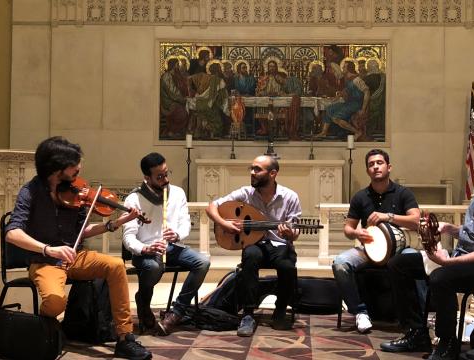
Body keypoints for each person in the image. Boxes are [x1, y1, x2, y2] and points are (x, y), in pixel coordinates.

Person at [4, 136, 152, 360]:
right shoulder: (31, 192)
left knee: (115, 265)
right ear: (56, 168)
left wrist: (115, 223)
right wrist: (48, 249)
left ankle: (125, 337)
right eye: (74, 165)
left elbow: (82, 231)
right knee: (54, 302)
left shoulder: (75, 191)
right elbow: (12, 233)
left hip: (76, 257)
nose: (79, 168)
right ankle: (45, 327)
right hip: (45, 262)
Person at [380, 135, 474, 360]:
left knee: (442, 278)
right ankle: (416, 332)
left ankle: (448, 343)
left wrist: (448, 262)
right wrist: (450, 229)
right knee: (399, 264)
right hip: (472, 259)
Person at [206, 155, 301, 337]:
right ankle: (248, 313)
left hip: (279, 244)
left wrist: (290, 234)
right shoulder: (245, 193)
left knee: (287, 264)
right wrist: (224, 224)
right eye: (251, 168)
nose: (252, 173)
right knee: (250, 256)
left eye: (257, 169)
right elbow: (211, 207)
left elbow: (294, 231)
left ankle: (280, 310)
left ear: (273, 173)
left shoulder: (290, 197)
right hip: (254, 242)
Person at [332, 149, 421, 334]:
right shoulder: (360, 197)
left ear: (389, 167)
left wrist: (388, 216)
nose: (375, 167)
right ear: (367, 171)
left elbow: (415, 221)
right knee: (340, 263)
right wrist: (357, 233)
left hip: (399, 250)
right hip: (369, 250)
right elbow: (348, 229)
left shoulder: (403, 193)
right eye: (371, 164)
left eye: (379, 163)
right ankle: (360, 312)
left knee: (416, 259)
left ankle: (418, 315)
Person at [123, 152, 210, 335]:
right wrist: (145, 248)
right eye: (159, 176)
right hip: (146, 251)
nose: (165, 179)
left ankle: (177, 312)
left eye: (166, 173)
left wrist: (177, 234)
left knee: (202, 262)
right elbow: (128, 237)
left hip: (171, 247)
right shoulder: (134, 199)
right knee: (154, 267)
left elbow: (185, 223)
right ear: (147, 177)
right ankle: (144, 303)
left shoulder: (177, 193)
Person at [315, 59, 370, 139]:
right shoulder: (348, 79)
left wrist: (363, 109)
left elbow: (367, 92)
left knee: (336, 118)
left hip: (356, 104)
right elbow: (345, 91)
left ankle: (357, 132)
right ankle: (324, 132)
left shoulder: (357, 80)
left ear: (349, 69)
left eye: (344, 67)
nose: (342, 69)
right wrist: (335, 99)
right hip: (349, 103)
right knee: (329, 108)